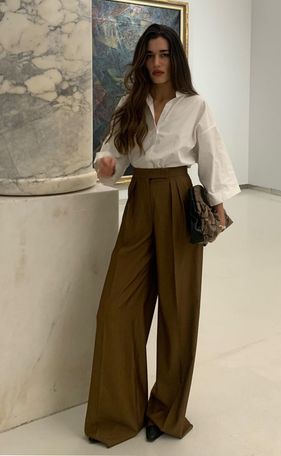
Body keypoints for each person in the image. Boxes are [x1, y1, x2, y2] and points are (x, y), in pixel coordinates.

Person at [84, 23, 240, 448]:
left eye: (164, 54)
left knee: (178, 310)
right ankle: (119, 411)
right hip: (139, 201)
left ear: (175, 59)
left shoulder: (195, 105)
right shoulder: (129, 104)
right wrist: (105, 164)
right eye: (150, 55)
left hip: (177, 197)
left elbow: (211, 154)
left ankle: (166, 410)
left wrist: (219, 204)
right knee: (116, 311)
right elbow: (111, 152)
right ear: (142, 59)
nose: (156, 63)